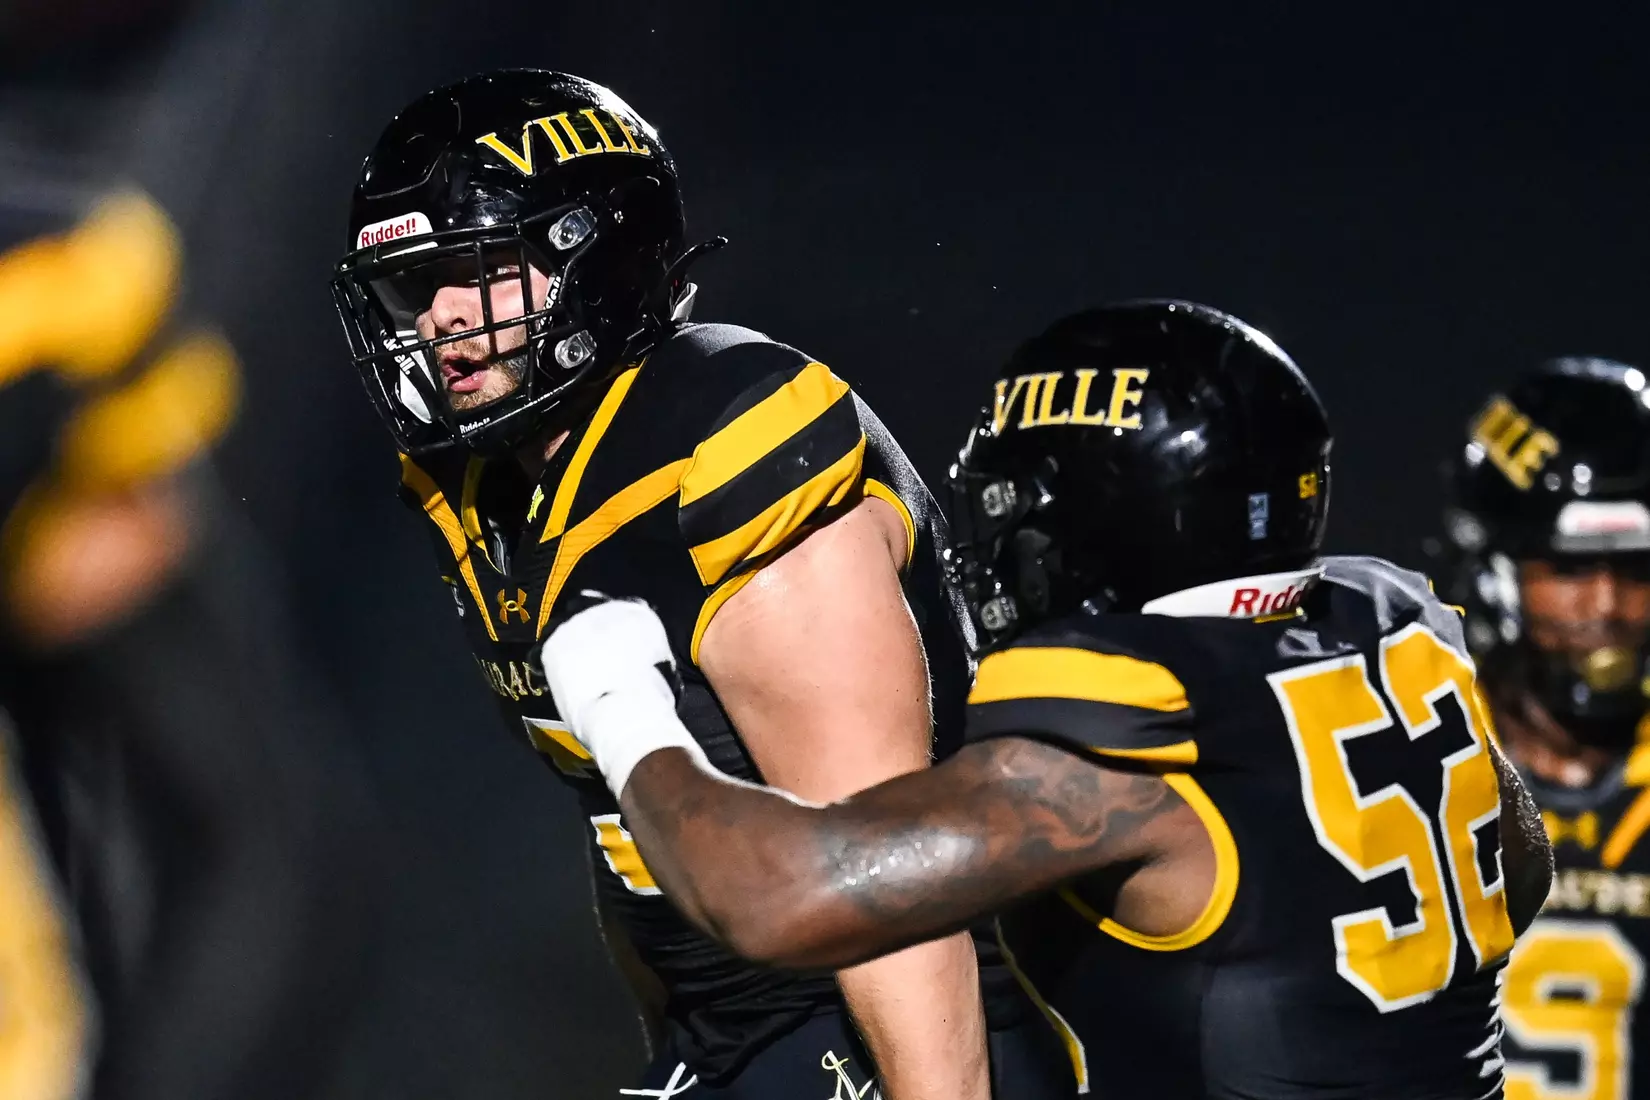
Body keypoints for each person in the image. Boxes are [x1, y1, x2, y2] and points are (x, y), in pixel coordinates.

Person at [536, 300, 1556, 1099]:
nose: (995, 551)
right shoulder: (1390, 629)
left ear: (1108, 523)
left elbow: (778, 899)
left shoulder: (1123, 720)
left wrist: (623, 707)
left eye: (1014, 515)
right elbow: (1522, 864)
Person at [332, 69, 1069, 1100]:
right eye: (415, 284)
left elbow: (892, 885)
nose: (440, 317)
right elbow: (622, 838)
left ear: (591, 254)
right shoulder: (486, 487)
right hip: (732, 1032)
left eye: (478, 267)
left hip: (887, 1024)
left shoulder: (716, 446)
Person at [1435, 358, 1650, 1100]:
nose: (1607, 606)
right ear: (1496, 570)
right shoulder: (1417, 746)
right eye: (1568, 568)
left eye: (1636, 570)